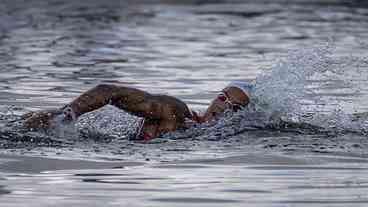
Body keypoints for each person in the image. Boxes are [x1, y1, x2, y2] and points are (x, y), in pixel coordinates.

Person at [21, 81, 253, 140]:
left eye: (235, 106)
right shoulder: (174, 111)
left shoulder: (216, 137)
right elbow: (109, 90)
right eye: (223, 97)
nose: (225, 106)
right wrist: (68, 115)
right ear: (215, 97)